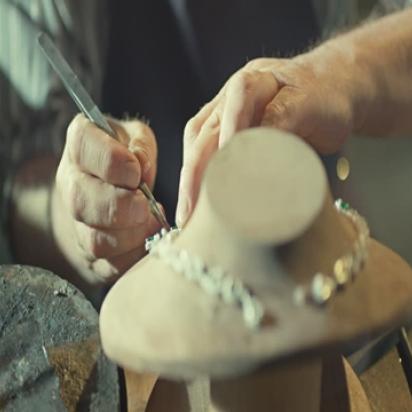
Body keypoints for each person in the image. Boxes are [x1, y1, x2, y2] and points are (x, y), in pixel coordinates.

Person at [1, 0, 411, 301]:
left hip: (323, 258)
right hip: (150, 320)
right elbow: (21, 196)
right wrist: (78, 215)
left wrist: (340, 69)